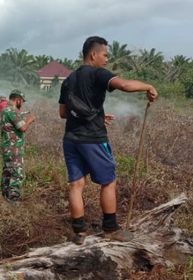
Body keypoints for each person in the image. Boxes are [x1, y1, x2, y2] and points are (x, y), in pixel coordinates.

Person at [58, 36, 158, 245]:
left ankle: (79, 233)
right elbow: (124, 85)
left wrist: (98, 117)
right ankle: (111, 229)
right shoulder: (98, 73)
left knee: (76, 184)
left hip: (71, 139)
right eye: (105, 55)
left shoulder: (69, 79)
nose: (106, 60)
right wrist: (148, 86)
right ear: (93, 54)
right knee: (109, 181)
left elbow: (63, 113)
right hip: (93, 139)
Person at [0, 89, 36, 202]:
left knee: (7, 172)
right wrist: (30, 120)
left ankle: (5, 197)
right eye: (22, 101)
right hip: (14, 147)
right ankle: (13, 199)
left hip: (7, 146)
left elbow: (14, 124)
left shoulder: (5, 110)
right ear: (18, 100)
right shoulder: (11, 111)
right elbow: (22, 128)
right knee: (16, 173)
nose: (23, 104)